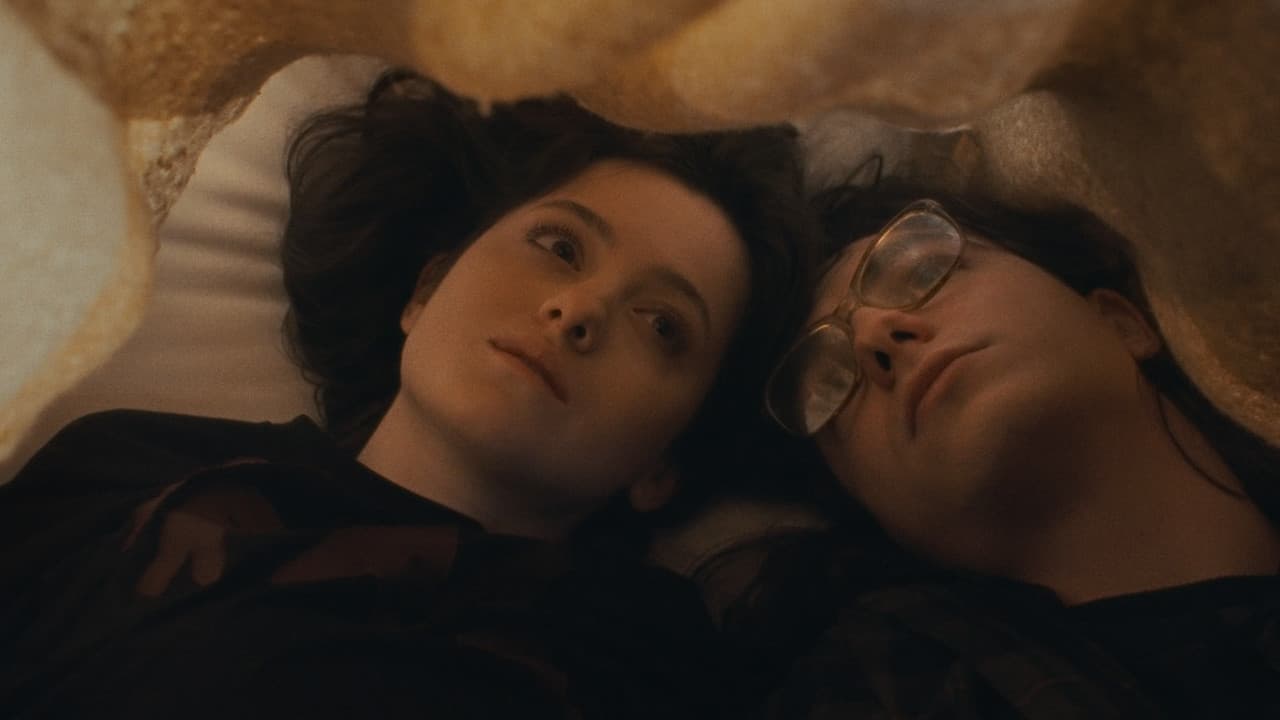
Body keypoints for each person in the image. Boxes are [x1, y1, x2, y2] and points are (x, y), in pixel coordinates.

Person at [0, 70, 817, 718]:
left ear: (662, 465)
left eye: (663, 324)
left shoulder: (644, 663)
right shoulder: (132, 461)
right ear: (425, 290)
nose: (580, 309)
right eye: (560, 246)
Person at [715, 180, 1280, 718]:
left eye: (925, 271)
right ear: (870, 509)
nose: (873, 338)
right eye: (830, 385)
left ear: (1120, 321)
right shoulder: (883, 685)